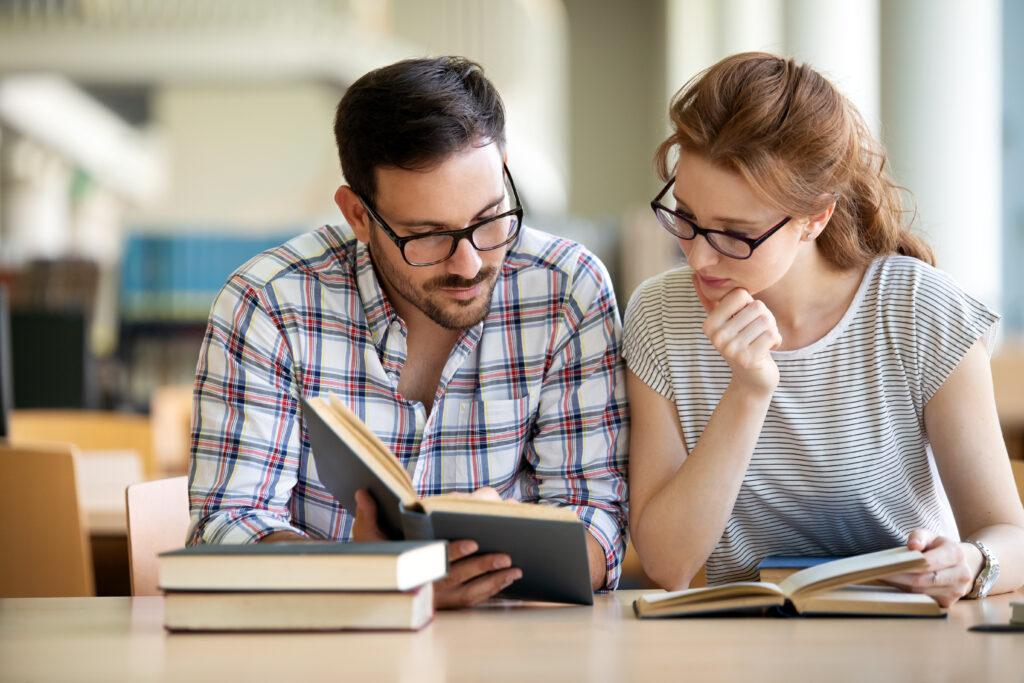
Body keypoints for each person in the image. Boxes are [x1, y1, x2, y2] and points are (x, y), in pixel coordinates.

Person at [187, 56, 629, 608]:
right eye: (427, 235)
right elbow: (224, 529)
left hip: (515, 648)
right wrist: (363, 575)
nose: (469, 263)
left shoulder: (568, 291)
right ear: (358, 216)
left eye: (489, 218)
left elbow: (601, 525)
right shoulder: (269, 302)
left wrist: (512, 548)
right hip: (327, 649)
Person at [624, 52, 1024, 607]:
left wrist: (971, 563)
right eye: (686, 218)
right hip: (740, 649)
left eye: (734, 234)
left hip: (909, 646)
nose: (696, 259)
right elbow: (669, 565)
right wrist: (747, 392)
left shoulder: (919, 310)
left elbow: (1010, 533)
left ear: (815, 217)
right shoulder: (659, 317)